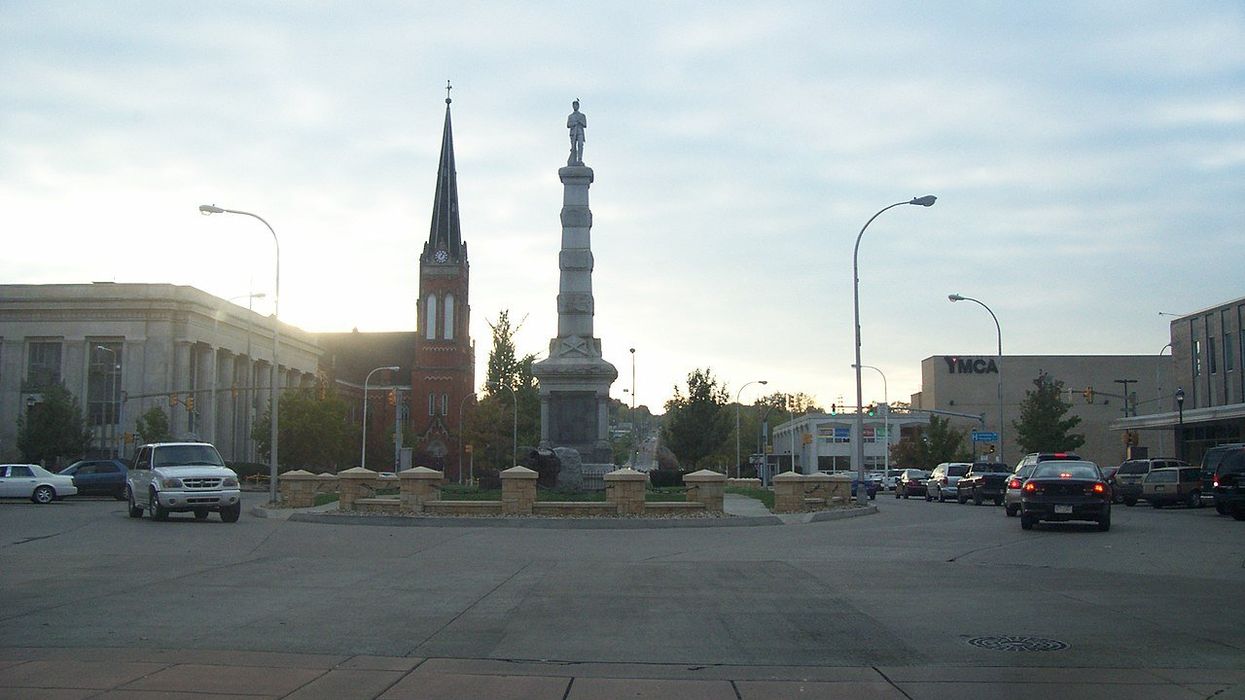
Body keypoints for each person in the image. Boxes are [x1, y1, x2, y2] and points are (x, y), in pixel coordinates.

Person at [567, 99, 586, 165]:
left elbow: (585, 124)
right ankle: (573, 160)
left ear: (578, 106)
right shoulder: (570, 116)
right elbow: (568, 125)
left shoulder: (582, 115)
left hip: (580, 132)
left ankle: (580, 159)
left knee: (580, 145)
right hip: (573, 133)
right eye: (574, 105)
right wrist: (574, 123)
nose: (575, 107)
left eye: (576, 105)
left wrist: (580, 122)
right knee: (573, 147)